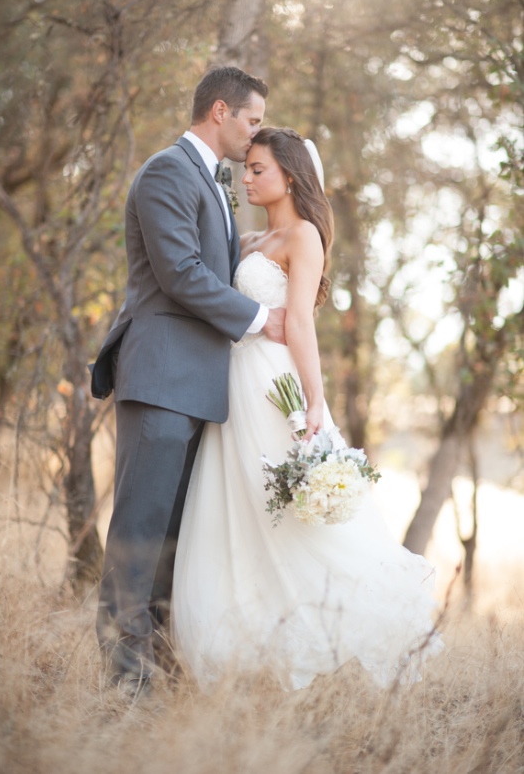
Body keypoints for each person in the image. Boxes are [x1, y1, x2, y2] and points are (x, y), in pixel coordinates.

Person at [172, 127, 443, 691]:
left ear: (289, 176)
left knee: (293, 517)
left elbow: (298, 324)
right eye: (245, 168)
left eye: (257, 169)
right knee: (238, 510)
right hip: (231, 388)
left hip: (276, 390)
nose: (244, 178)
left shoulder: (303, 238)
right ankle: (243, 654)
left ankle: (342, 633)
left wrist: (315, 401)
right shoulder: (248, 243)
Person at [90, 67, 288, 695]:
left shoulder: (212, 181)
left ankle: (158, 678)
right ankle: (125, 688)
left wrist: (251, 247)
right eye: (252, 120)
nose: (255, 134)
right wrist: (260, 318)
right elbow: (177, 271)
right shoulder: (168, 170)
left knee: (172, 545)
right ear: (221, 110)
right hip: (161, 379)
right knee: (139, 538)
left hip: (194, 387)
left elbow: (207, 259)